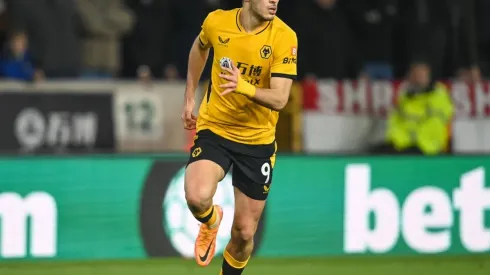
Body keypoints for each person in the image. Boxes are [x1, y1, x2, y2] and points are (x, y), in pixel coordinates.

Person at [181, 0, 297, 274]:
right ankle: (210, 221)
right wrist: (189, 97)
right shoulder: (216, 22)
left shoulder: (284, 36)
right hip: (216, 129)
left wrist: (243, 86)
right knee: (197, 197)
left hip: (257, 141)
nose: (274, 1)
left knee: (244, 233)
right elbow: (200, 47)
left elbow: (280, 98)